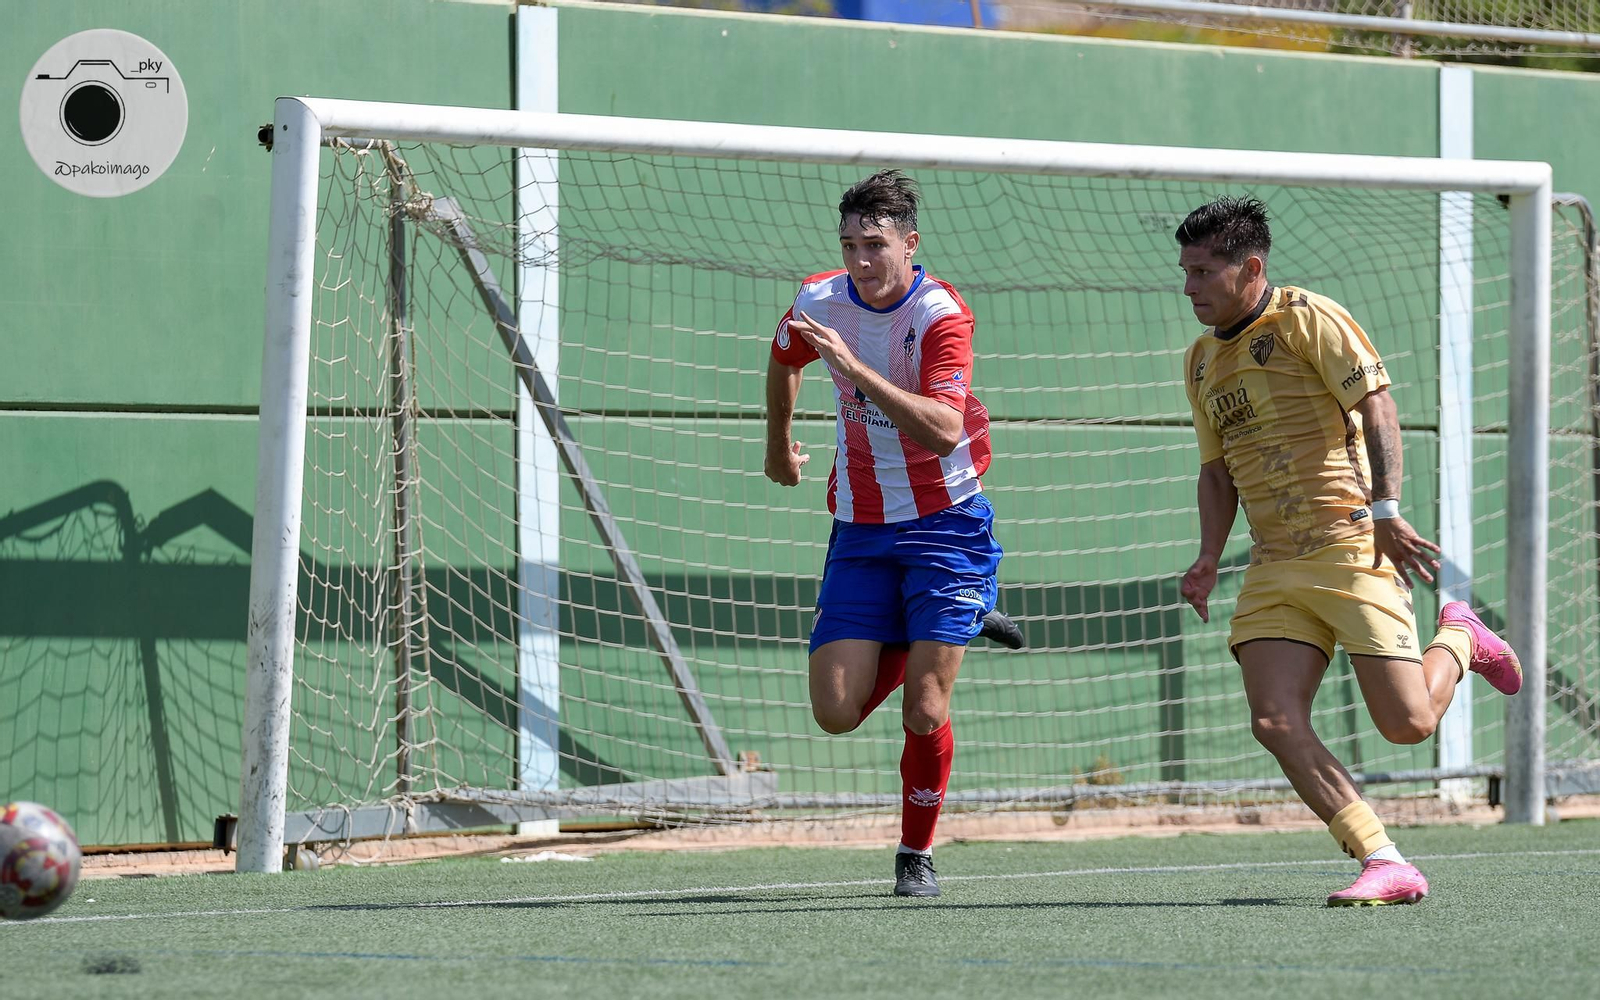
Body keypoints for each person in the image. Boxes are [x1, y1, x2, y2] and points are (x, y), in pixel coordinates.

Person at [1174, 196, 1522, 907]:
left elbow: (1378, 408)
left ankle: (1458, 638)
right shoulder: (1202, 361)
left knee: (1408, 725)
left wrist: (1389, 511)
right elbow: (1216, 471)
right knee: (1272, 719)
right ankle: (1383, 857)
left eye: (1204, 271)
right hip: (1272, 565)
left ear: (1251, 268)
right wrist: (1209, 555)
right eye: (1183, 271)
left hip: (1350, 546)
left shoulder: (1308, 318)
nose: (1189, 286)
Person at [764, 168, 1018, 898]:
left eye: (874, 245)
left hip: (946, 525)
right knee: (835, 713)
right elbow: (784, 355)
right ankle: (955, 617)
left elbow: (942, 431)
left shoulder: (942, 315)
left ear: (911, 243)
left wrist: (849, 368)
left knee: (925, 708)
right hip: (861, 526)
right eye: (848, 245)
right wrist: (778, 443)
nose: (860, 261)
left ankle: (915, 854)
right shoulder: (819, 298)